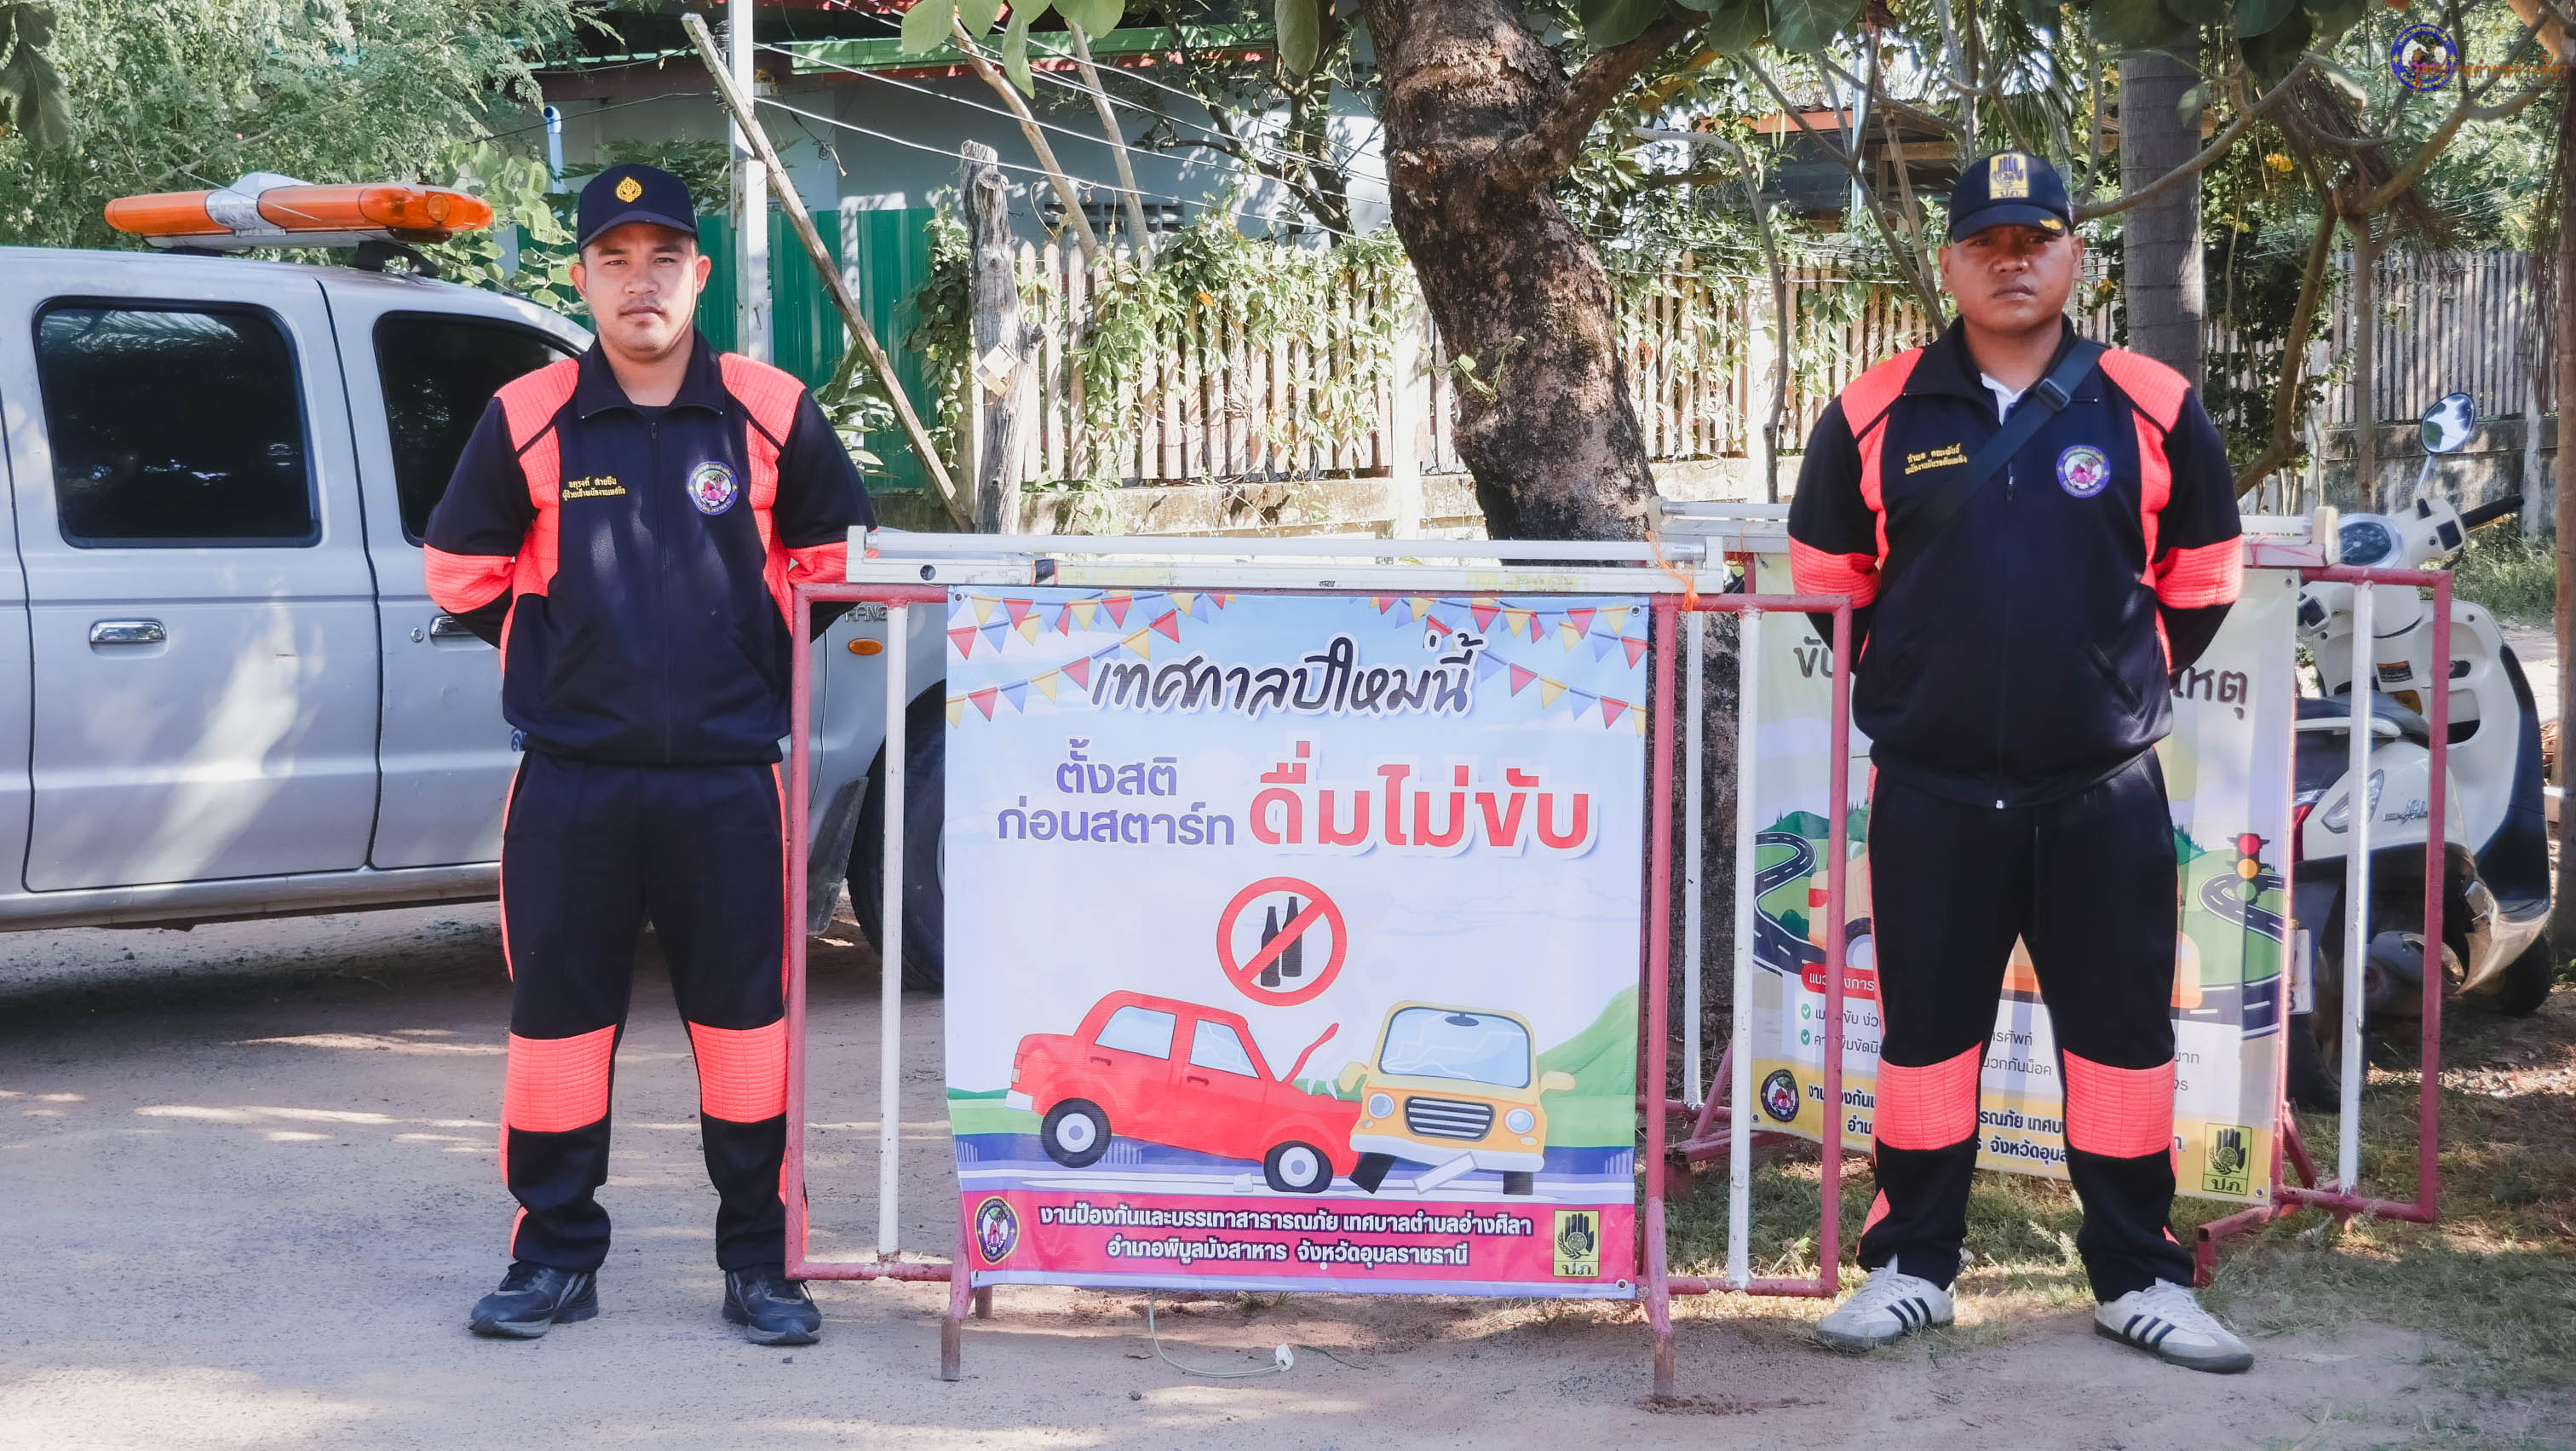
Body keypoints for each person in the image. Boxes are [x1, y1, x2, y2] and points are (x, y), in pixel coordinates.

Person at [1787, 152, 2251, 1373]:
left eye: (2036, 240)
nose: (2012, 262)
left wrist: (2113, 682)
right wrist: (1921, 682)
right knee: (1925, 1042)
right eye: (1986, 243)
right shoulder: (1874, 411)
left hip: (2102, 789)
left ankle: (2140, 1278)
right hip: (1933, 791)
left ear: (2074, 258)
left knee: (2122, 1045)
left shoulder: (2151, 401)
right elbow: (1828, 583)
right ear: (1947, 263)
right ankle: (1910, 1268)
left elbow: (2206, 574)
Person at [424, 164, 871, 1344]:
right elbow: (459, 571)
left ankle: (763, 1264)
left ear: (698, 273)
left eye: (663, 258)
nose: (640, 282)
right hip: (572, 782)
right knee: (558, 1035)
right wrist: (560, 643)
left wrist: (751, 639)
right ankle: (552, 1258)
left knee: (748, 1034)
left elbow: (839, 560)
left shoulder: (770, 409)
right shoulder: (527, 415)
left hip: (730, 780)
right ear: (582, 279)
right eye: (614, 260)